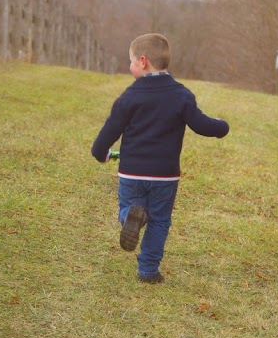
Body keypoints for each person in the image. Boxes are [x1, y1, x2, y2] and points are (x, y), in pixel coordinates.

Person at [91, 33, 230, 284]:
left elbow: (108, 133)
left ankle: (129, 217)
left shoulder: (129, 97)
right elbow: (201, 125)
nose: (130, 66)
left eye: (131, 61)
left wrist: (100, 153)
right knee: (160, 221)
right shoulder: (181, 95)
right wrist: (222, 126)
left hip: (132, 172)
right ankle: (148, 271)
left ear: (143, 61)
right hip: (165, 175)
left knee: (129, 206)